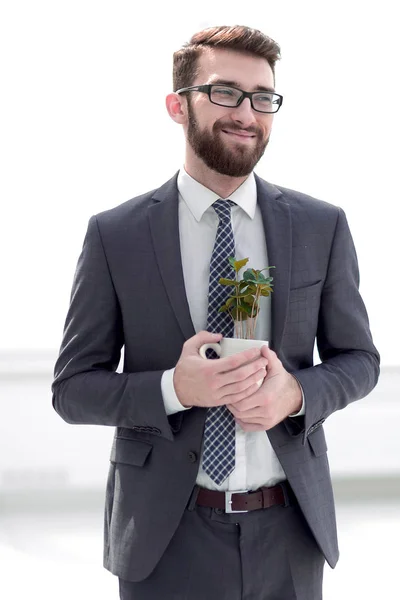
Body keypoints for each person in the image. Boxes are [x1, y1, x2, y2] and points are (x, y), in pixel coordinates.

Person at [52, 24, 380, 600]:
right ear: (178, 106)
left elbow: (360, 361)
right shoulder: (117, 235)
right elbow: (73, 389)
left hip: (290, 531)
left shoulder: (320, 226)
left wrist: (297, 395)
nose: (246, 114)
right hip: (165, 537)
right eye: (225, 92)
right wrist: (174, 388)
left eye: (263, 98)